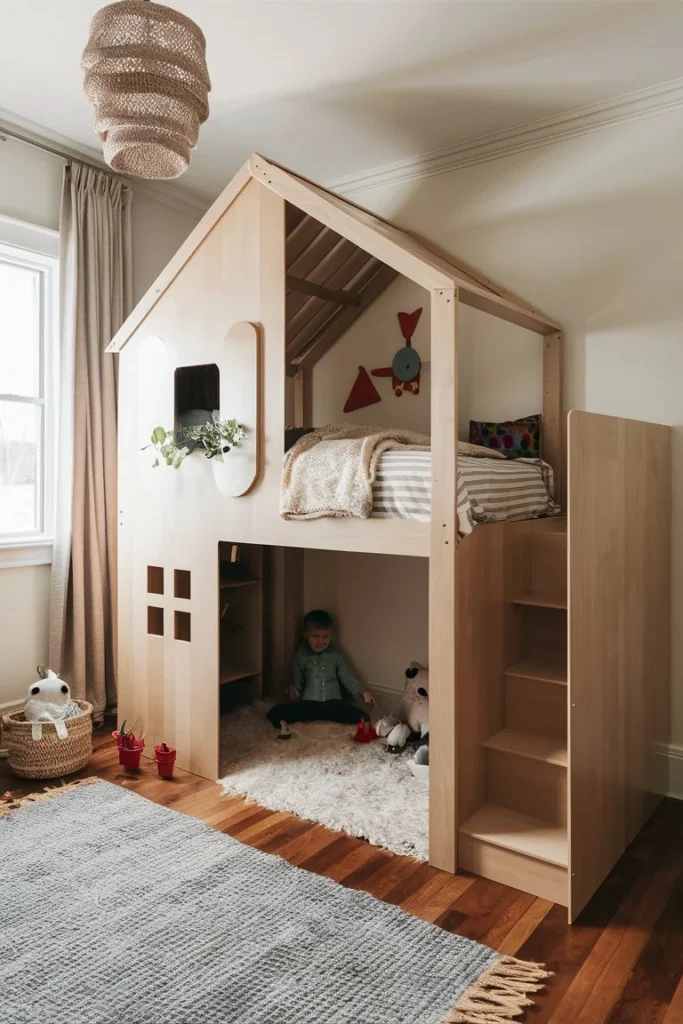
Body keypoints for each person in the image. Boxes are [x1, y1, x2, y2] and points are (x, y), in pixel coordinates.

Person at [266, 609, 375, 736]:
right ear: (305, 635)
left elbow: (347, 678)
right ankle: (281, 727)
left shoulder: (336, 655)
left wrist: (362, 692)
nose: (320, 641)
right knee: (275, 712)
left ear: (331, 635)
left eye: (325, 637)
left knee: (362, 716)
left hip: (333, 705)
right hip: (309, 705)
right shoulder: (301, 655)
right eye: (315, 636)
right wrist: (293, 691)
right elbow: (298, 682)